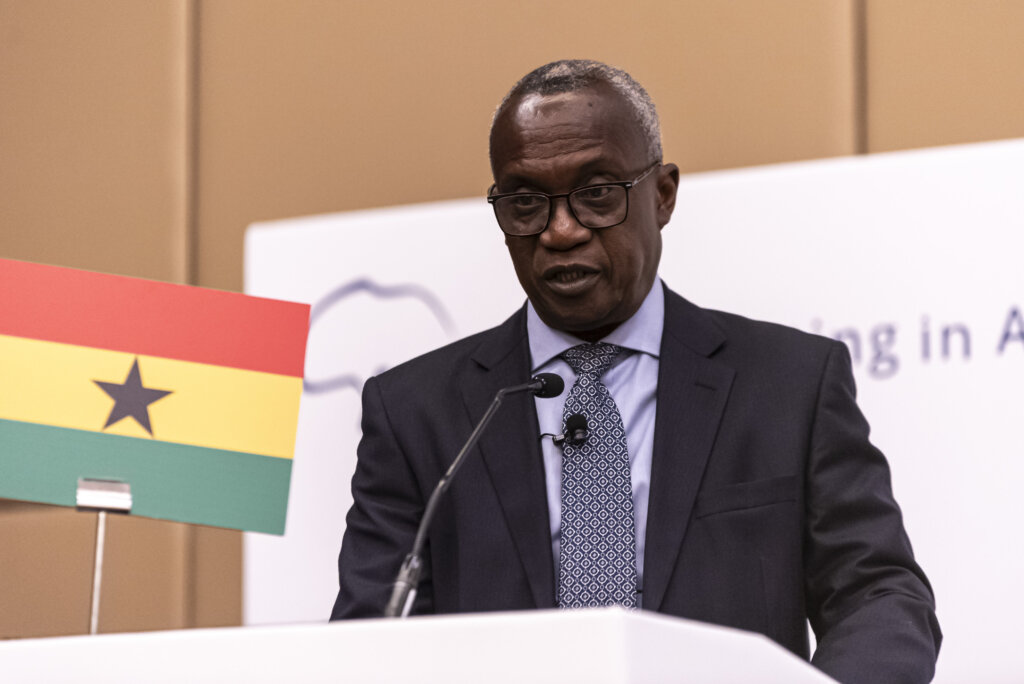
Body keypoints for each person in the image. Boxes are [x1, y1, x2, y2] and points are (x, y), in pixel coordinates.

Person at [331, 60, 941, 683]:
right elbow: (371, 641)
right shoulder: (418, 414)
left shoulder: (789, 385)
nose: (561, 231)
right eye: (525, 203)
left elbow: (879, 595)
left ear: (663, 195)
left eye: (597, 193)